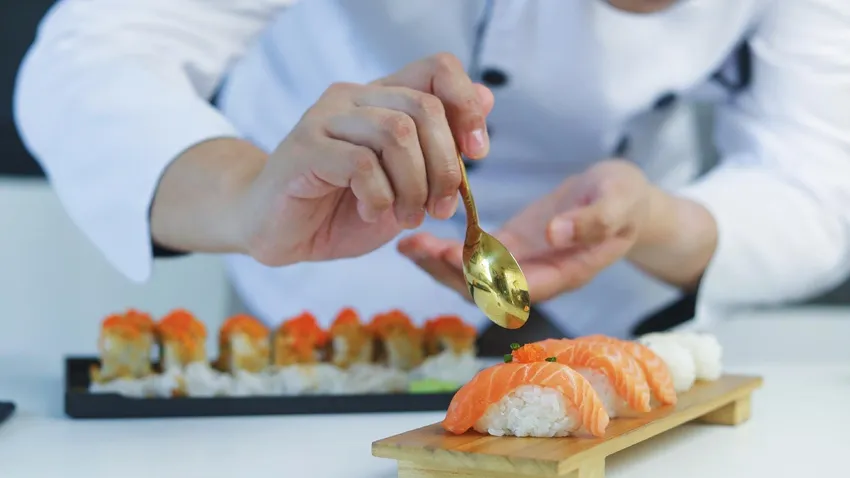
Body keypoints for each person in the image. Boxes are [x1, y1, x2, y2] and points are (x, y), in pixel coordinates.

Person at [13, 0, 850, 343]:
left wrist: (658, 223)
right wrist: (243, 194)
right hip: (323, 304)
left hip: (630, 306)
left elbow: (820, 175)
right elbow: (93, 54)